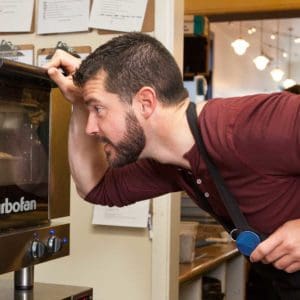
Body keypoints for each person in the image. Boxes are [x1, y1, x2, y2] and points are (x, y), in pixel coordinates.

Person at [45, 32, 300, 299]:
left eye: (98, 109)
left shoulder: (249, 125)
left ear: (145, 103)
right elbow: (96, 187)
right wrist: (78, 101)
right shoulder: (168, 162)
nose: (91, 128)